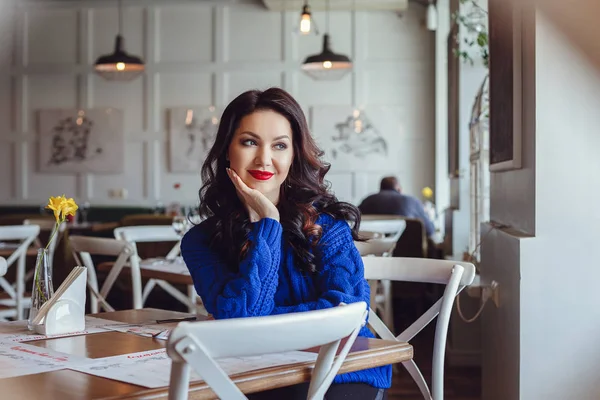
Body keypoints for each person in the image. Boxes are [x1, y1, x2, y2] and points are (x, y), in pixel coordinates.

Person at [180, 87, 391, 400]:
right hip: (254, 374)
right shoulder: (200, 241)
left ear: (293, 155)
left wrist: (261, 324)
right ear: (228, 149)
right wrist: (268, 224)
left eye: (279, 145)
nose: (264, 159)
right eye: (249, 142)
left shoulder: (327, 227)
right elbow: (240, 324)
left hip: (341, 372)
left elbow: (347, 313)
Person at [358, 176, 436, 238]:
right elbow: (430, 230)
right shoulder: (411, 201)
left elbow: (353, 226)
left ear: (381, 188)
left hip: (374, 252)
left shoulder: (367, 201)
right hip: (409, 252)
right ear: (399, 189)